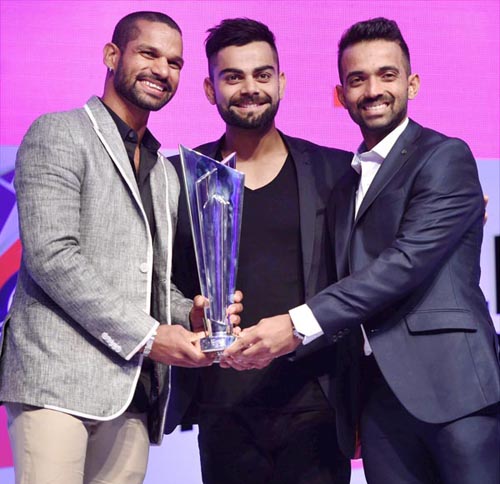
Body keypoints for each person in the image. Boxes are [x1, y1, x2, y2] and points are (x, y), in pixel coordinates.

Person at [225, 17, 500, 484]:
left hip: (454, 390)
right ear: (340, 93)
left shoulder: (445, 155)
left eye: (387, 75)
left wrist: (295, 325)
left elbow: (404, 264)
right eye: (358, 79)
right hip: (375, 402)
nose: (373, 90)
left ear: (411, 83)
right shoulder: (344, 183)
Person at [0, 11, 241, 484]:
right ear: (112, 56)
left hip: (135, 391)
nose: (162, 70)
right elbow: (54, 257)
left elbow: (149, 278)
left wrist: (189, 314)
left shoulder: (167, 171)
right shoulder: (59, 133)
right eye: (148, 53)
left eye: (174, 62)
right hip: (57, 378)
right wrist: (152, 336)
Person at [169, 18, 353, 484]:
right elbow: (150, 274)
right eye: (233, 77)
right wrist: (185, 313)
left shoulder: (335, 170)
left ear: (282, 82)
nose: (250, 88)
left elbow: (374, 266)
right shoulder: (178, 178)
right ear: (210, 89)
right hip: (223, 406)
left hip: (315, 405)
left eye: (262, 74)